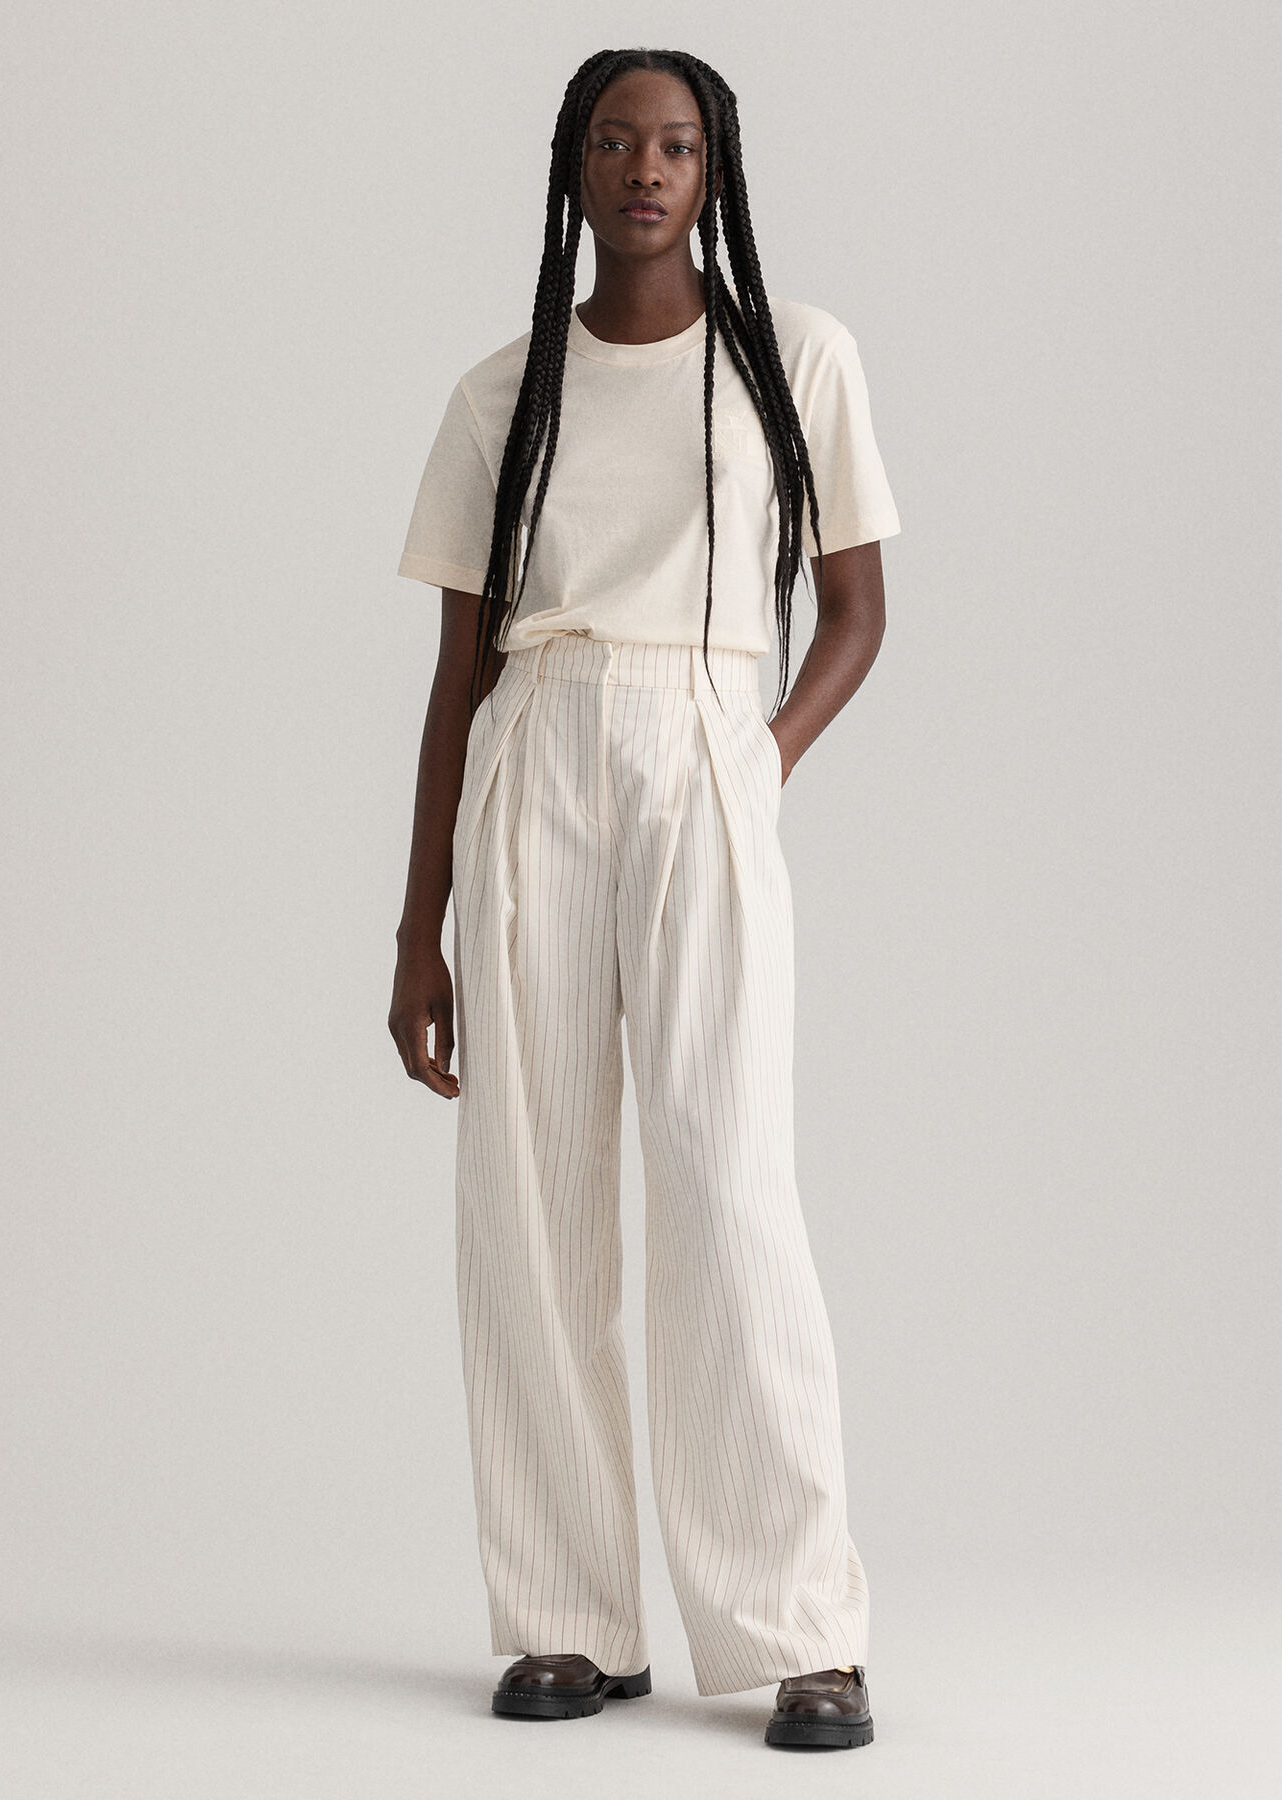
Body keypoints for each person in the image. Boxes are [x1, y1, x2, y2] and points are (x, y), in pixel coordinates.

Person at [388, 46, 900, 1752]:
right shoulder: (502, 396)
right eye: (615, 141)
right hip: (533, 753)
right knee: (527, 1196)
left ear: (714, 168)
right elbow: (456, 676)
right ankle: (566, 1617)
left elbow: (856, 611)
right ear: (574, 166)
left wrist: (759, 758)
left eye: (676, 144)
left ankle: (802, 1627)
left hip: (703, 743)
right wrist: (414, 928)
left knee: (725, 1177)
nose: (646, 170)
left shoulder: (794, 361)